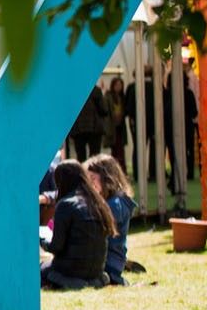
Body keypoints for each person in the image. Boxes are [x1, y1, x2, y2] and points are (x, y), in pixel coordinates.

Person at [41, 159, 116, 290]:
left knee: (39, 269)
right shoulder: (99, 204)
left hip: (70, 273)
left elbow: (56, 247)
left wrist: (42, 240)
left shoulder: (65, 205)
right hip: (95, 273)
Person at [85, 154, 136, 285]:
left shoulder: (116, 204)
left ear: (107, 179)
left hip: (109, 265)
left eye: (93, 178)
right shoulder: (109, 201)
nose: (90, 184)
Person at [69, 85, 109, 161]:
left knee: (80, 157)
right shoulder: (95, 90)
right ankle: (92, 172)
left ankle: (81, 172)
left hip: (78, 128)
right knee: (94, 158)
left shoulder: (73, 90)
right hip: (94, 128)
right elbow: (103, 110)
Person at [107, 76, 128, 171]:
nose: (119, 87)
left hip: (120, 127)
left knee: (120, 150)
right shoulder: (108, 97)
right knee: (115, 150)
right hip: (112, 127)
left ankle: (122, 169)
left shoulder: (123, 98)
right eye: (117, 85)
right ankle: (115, 170)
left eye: (120, 85)